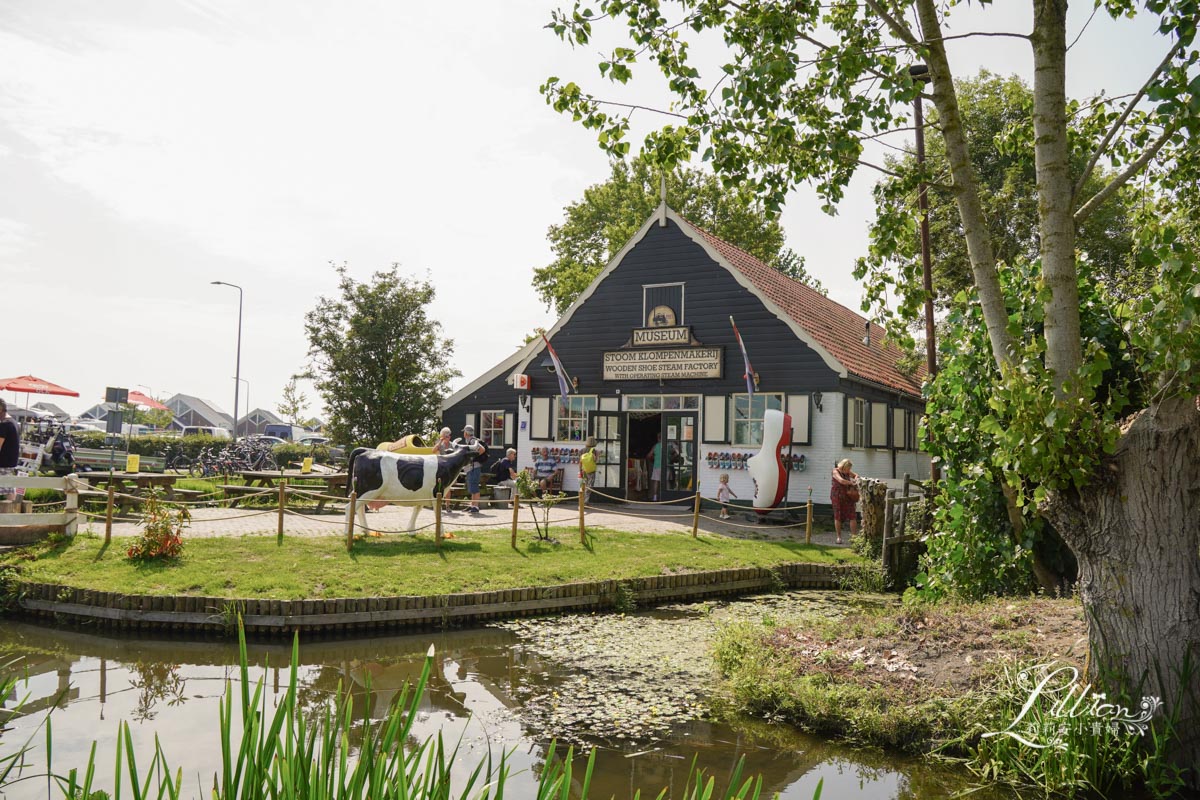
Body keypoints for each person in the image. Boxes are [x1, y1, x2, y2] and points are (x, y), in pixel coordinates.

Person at [452, 425, 485, 513]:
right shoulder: (469, 441)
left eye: (464, 432)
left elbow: (482, 449)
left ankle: (475, 507)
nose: (463, 433)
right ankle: (472, 505)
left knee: (474, 486)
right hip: (471, 468)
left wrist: (473, 458)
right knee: (472, 486)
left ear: (466, 433)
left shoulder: (473, 440)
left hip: (474, 467)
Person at [830, 458, 860, 545]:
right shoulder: (835, 471)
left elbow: (856, 475)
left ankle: (854, 538)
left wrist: (856, 478)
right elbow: (841, 480)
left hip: (848, 495)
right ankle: (839, 537)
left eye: (849, 469)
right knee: (838, 516)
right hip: (837, 496)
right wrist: (852, 483)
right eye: (848, 468)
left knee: (852, 515)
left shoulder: (847, 471)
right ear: (843, 466)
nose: (849, 471)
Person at [0, 400, 18, 501]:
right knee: (9, 490)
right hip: (11, 463)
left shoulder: (3, 425)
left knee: (8, 490)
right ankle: (12, 514)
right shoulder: (13, 422)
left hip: (3, 463)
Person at [579, 436, 597, 501]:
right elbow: (595, 460)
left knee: (583, 486)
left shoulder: (581, 450)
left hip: (583, 470)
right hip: (591, 471)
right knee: (589, 486)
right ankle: (585, 501)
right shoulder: (593, 451)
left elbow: (580, 462)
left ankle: (581, 501)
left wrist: (580, 471)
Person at [647, 433, 663, 501]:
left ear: (658, 438)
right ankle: (666, 497)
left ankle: (655, 497)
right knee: (666, 481)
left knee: (656, 481)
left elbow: (649, 455)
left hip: (656, 465)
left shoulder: (655, 446)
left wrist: (654, 458)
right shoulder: (667, 445)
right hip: (665, 466)